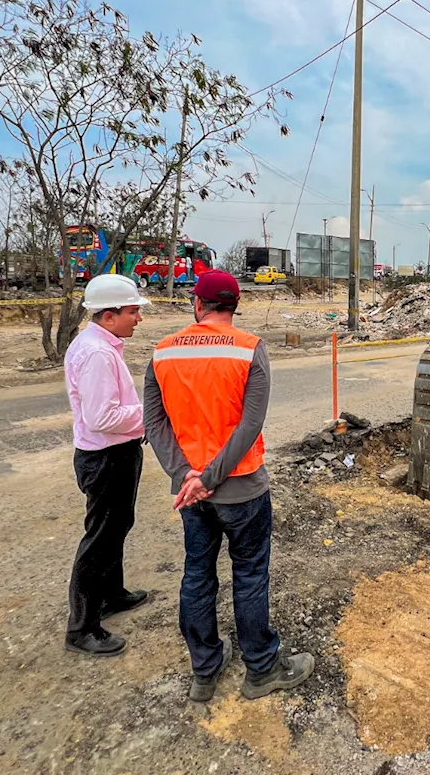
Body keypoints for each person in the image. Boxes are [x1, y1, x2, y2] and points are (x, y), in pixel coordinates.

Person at [145, 269, 314, 702]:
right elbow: (250, 423)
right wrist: (210, 477)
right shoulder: (250, 349)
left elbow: (155, 422)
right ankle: (261, 668)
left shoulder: (162, 353)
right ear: (235, 306)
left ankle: (205, 670)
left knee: (197, 575)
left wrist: (187, 475)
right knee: (250, 574)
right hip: (241, 488)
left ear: (197, 305)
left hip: (191, 495)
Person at [63, 274, 151, 656]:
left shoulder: (100, 345)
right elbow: (103, 416)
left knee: (115, 527)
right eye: (133, 311)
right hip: (106, 456)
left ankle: (111, 594)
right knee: (100, 538)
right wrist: (151, 415)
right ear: (109, 315)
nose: (138, 318)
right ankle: (82, 626)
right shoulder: (98, 353)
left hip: (113, 453)